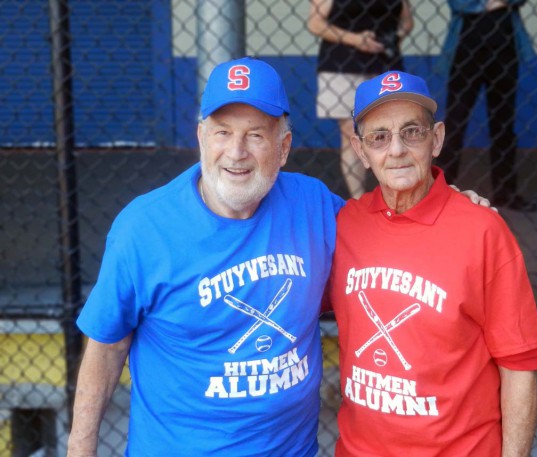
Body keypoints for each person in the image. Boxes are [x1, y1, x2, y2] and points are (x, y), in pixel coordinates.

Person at [66, 57, 489, 456]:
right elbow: (106, 347)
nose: (236, 152)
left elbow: (388, 232)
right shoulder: (145, 228)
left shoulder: (314, 206)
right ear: (200, 138)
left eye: (255, 134)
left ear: (283, 147)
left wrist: (445, 207)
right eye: (222, 132)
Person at [328, 70, 537, 456]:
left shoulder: (482, 231)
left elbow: (520, 365)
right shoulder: (343, 224)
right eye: (379, 137)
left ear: (437, 139)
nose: (396, 150)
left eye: (412, 132)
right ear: (361, 151)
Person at [436, 0, 537, 211]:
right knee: (456, 121)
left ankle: (505, 192)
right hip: (466, 47)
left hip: (504, 45)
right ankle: (440, 191)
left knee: (504, 123)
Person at [307, 0, 413, 198]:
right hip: (341, 65)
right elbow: (315, 23)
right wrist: (355, 40)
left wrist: (391, 39)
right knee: (351, 133)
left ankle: (392, 194)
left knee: (393, 131)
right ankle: (359, 200)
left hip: (385, 65)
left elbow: (406, 22)